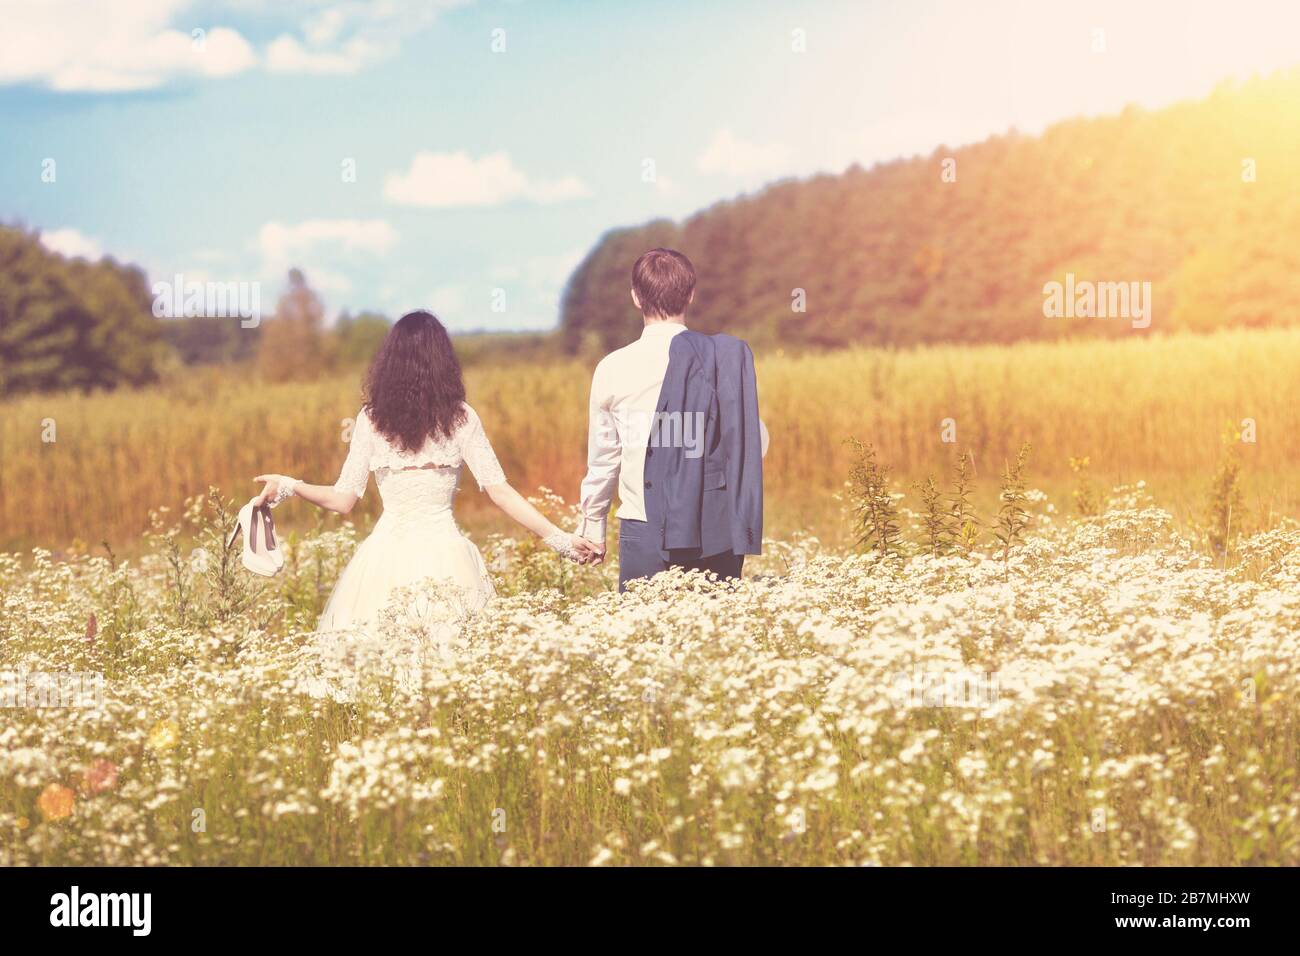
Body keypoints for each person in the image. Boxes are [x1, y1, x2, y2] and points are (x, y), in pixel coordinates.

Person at [252, 309, 598, 632]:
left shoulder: (371, 421)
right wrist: (561, 540)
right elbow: (501, 492)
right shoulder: (461, 418)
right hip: (446, 557)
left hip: (383, 558)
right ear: (443, 362)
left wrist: (290, 484)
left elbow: (343, 500)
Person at [576, 248, 764, 591]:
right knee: (717, 640)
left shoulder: (613, 368)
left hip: (644, 526)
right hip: (714, 528)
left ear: (635, 297)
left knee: (646, 638)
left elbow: (604, 460)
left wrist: (593, 529)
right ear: (691, 294)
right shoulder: (722, 360)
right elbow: (755, 444)